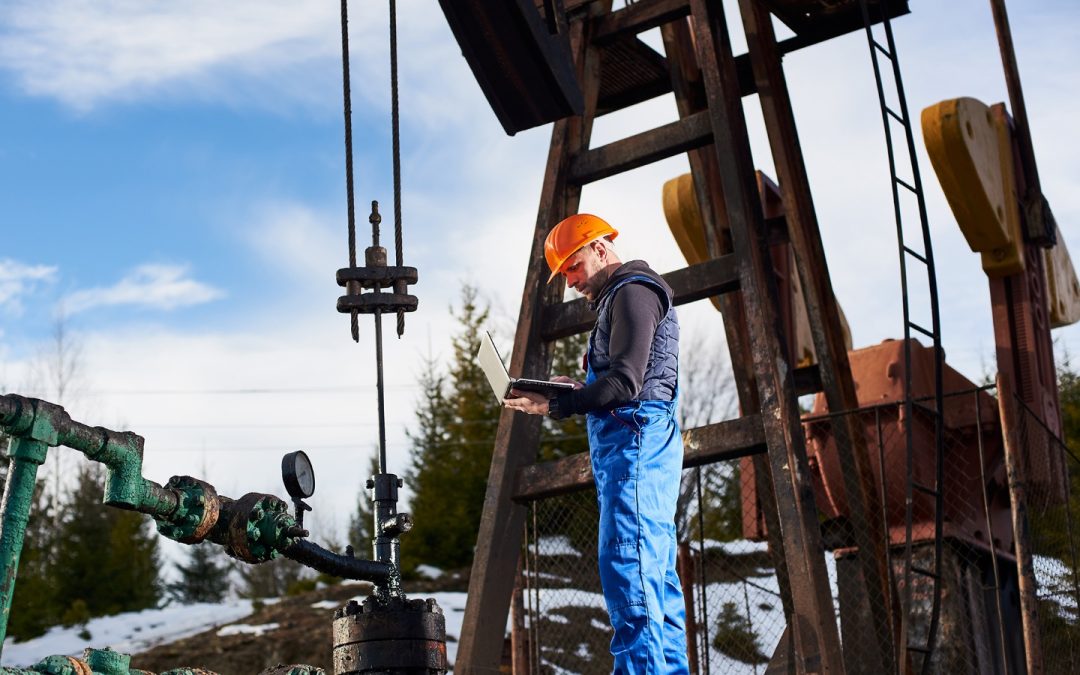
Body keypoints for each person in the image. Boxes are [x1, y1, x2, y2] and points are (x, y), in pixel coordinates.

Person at [504, 213, 689, 673]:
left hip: (636, 444)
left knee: (630, 570)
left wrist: (558, 406)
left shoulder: (633, 292)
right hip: (635, 446)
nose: (570, 282)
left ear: (601, 249)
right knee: (653, 579)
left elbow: (626, 384)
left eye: (573, 266)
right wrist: (570, 389)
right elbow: (620, 381)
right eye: (564, 272)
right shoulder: (622, 296)